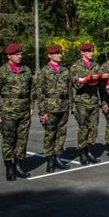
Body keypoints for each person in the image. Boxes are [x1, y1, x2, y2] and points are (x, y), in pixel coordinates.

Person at [0, 44, 34, 180]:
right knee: (9, 140)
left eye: (20, 53)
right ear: (9, 56)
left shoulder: (26, 70)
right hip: (7, 111)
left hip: (24, 110)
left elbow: (32, 90)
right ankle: (9, 168)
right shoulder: (0, 72)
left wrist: (31, 106)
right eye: (16, 54)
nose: (19, 56)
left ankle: (19, 165)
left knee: (22, 139)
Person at [35, 44, 72, 173]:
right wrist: (42, 111)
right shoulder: (43, 71)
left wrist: (69, 107)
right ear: (50, 55)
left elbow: (69, 90)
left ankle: (58, 157)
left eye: (60, 53)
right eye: (57, 53)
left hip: (63, 106)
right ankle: (50, 160)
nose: (60, 55)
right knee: (50, 134)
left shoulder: (65, 70)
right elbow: (39, 93)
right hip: (50, 107)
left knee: (61, 134)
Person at [70, 43, 108, 165]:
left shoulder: (96, 66)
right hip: (82, 102)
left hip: (94, 101)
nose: (91, 53)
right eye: (88, 51)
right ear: (82, 52)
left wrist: (103, 101)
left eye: (92, 51)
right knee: (83, 127)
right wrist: (89, 78)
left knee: (93, 127)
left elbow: (101, 86)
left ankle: (89, 149)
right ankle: (82, 152)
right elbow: (77, 85)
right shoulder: (76, 66)